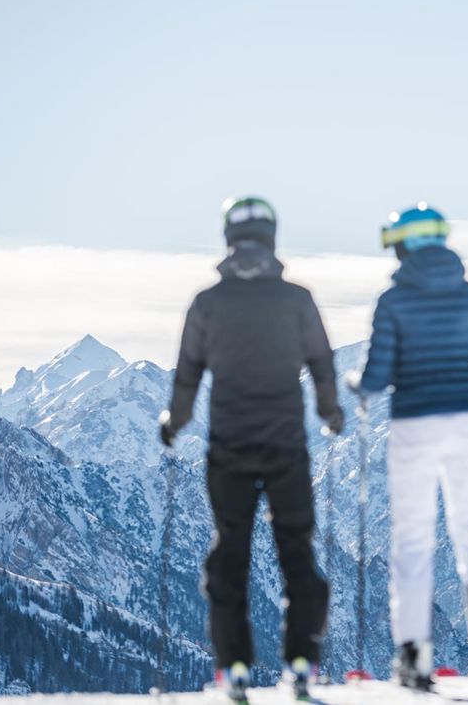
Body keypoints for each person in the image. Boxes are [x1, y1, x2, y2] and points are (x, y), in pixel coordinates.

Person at [159, 196, 344, 703]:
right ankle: (302, 661)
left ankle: (234, 667)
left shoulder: (207, 303)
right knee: (296, 551)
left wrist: (174, 423)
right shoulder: (298, 299)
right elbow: (323, 363)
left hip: (229, 447)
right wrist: (331, 414)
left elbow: (187, 374)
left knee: (230, 556)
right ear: (272, 238)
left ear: (227, 239)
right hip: (286, 445)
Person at [349, 202, 468, 691]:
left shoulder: (392, 301)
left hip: (414, 425)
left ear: (402, 245)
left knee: (413, 540)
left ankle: (415, 658)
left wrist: (356, 383)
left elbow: (376, 377)